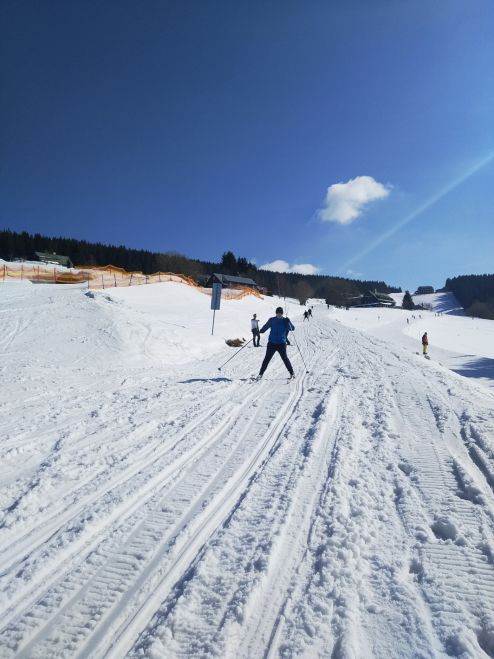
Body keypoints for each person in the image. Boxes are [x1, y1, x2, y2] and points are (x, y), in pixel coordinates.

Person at [257, 307, 295, 378]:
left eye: (280, 313)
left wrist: (288, 322)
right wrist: (261, 331)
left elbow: (292, 328)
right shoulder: (272, 320)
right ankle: (260, 374)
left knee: (285, 358)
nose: (279, 315)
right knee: (267, 359)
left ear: (282, 313)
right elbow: (266, 327)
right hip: (272, 343)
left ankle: (292, 373)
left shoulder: (285, 321)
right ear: (276, 313)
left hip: (281, 343)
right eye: (278, 313)